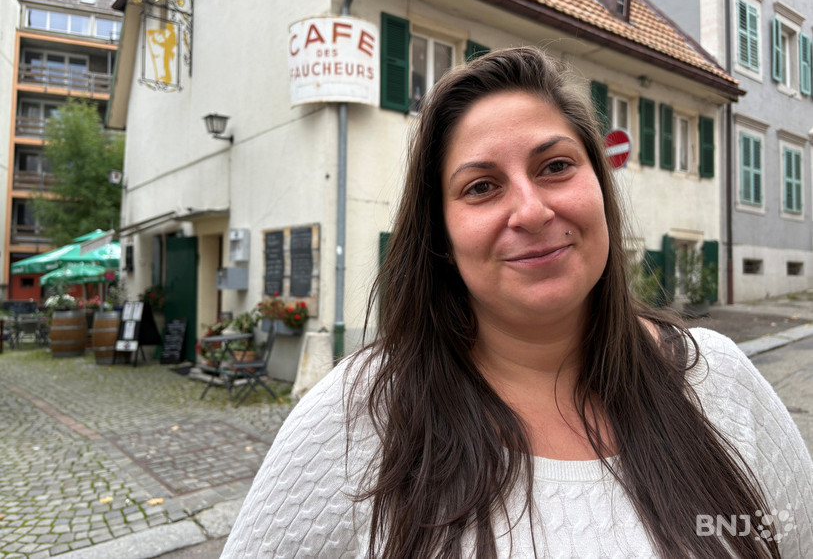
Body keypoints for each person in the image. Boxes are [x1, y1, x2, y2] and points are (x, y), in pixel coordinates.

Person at [222, 47, 813, 557]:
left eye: (555, 166)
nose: (531, 211)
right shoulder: (359, 416)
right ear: (442, 237)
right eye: (481, 187)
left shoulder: (721, 380)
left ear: (600, 189)